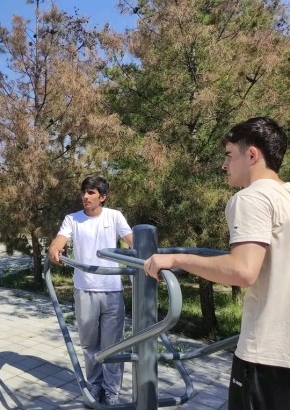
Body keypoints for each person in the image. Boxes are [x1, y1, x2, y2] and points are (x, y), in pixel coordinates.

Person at [144, 117, 290, 410]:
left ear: (252, 155)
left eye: (229, 155)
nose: (224, 165)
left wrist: (175, 258)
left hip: (267, 355)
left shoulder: (251, 198)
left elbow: (242, 271)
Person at [48, 175, 133, 406]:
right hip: (84, 289)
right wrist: (55, 248)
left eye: (91, 192)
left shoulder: (114, 216)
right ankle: (95, 386)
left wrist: (151, 257)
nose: (85, 196)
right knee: (89, 344)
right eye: (84, 192)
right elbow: (59, 240)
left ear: (102, 197)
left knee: (113, 344)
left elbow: (132, 240)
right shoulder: (72, 219)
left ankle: (112, 391)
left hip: (112, 289)